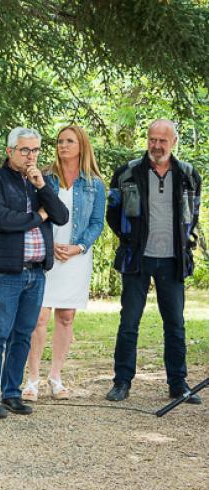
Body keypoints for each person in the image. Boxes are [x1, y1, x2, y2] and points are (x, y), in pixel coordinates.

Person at [106, 119, 202, 404]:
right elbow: (113, 212)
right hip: (137, 259)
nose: (156, 145)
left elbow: (192, 214)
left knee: (175, 324)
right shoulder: (127, 173)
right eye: (152, 139)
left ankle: (178, 383)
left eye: (162, 140)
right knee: (129, 322)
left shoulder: (188, 175)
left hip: (172, 260)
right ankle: (122, 382)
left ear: (173, 142)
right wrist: (129, 237)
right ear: (147, 139)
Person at [0, 127, 69, 419]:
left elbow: (62, 215)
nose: (31, 156)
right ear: (10, 151)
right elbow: (0, 220)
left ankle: (12, 393)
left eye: (36, 150)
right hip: (4, 273)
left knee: (23, 335)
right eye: (25, 150)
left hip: (35, 273)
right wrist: (39, 216)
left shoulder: (38, 183)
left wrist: (42, 187)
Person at [23, 126, 106, 401]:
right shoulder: (45, 177)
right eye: (59, 141)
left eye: (69, 141)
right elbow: (35, 213)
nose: (62, 145)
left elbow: (96, 223)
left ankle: (55, 377)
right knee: (39, 317)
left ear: (81, 145)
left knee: (66, 317)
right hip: (47, 253)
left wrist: (78, 247)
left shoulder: (94, 183)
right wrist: (49, 244)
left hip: (76, 256)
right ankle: (32, 379)